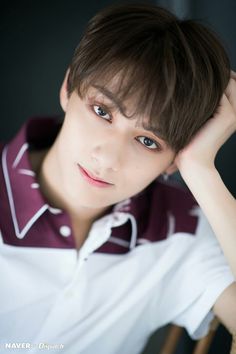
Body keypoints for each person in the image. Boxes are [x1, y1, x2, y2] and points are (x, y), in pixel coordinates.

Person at [0, 3, 235, 354]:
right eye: (102, 111)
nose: (107, 159)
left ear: (174, 159)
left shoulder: (181, 230)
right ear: (68, 87)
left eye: (148, 141)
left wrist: (201, 171)